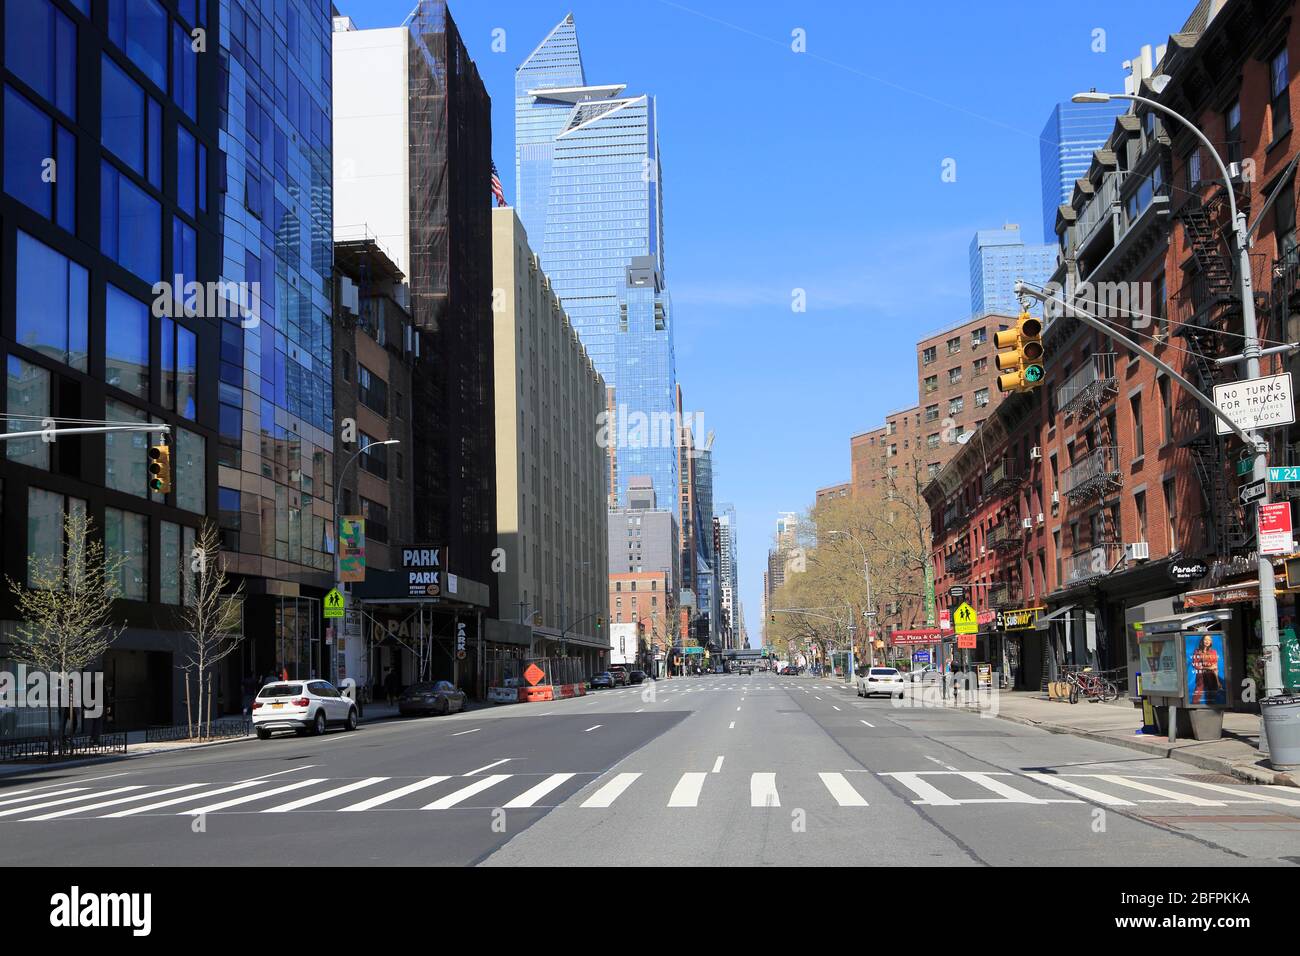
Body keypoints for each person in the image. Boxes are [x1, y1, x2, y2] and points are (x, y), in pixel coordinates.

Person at [1191, 635, 1221, 705]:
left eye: (1209, 640)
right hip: (1201, 676)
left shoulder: (1214, 652)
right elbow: (1195, 665)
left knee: (1212, 697)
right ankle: (1195, 709)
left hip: (1211, 676)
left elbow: (1215, 667)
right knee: (1196, 697)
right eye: (1205, 639)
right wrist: (1208, 668)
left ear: (1211, 642)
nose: (1207, 641)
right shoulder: (1197, 651)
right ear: (1202, 641)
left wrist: (1218, 681)